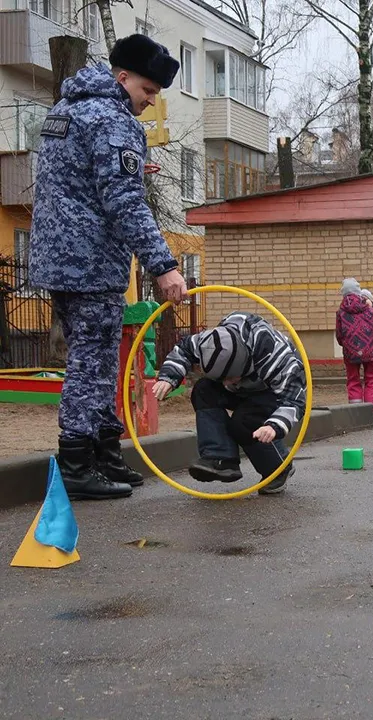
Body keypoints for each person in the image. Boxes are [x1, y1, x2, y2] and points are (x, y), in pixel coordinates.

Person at [28, 34, 188, 500]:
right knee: (92, 363)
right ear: (122, 78)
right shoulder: (113, 120)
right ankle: (77, 462)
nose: (150, 101)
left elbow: (74, 177)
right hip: (91, 260)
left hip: (58, 257)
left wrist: (130, 170)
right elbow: (124, 203)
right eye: (148, 90)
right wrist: (164, 266)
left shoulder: (67, 109)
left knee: (95, 358)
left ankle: (103, 453)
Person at [154, 312, 306, 495]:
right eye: (221, 379)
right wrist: (169, 377)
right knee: (204, 389)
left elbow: (294, 399)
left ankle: (278, 468)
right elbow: (184, 349)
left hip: (271, 392)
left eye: (230, 377)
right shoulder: (208, 342)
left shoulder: (277, 357)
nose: (225, 383)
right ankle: (221, 458)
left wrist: (274, 426)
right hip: (243, 388)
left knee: (244, 421)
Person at [336, 278, 373, 408]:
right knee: (371, 378)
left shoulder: (341, 312)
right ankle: (371, 408)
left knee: (353, 379)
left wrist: (345, 344)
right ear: (358, 292)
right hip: (370, 350)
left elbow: (339, 334)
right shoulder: (369, 309)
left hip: (350, 351)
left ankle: (355, 409)